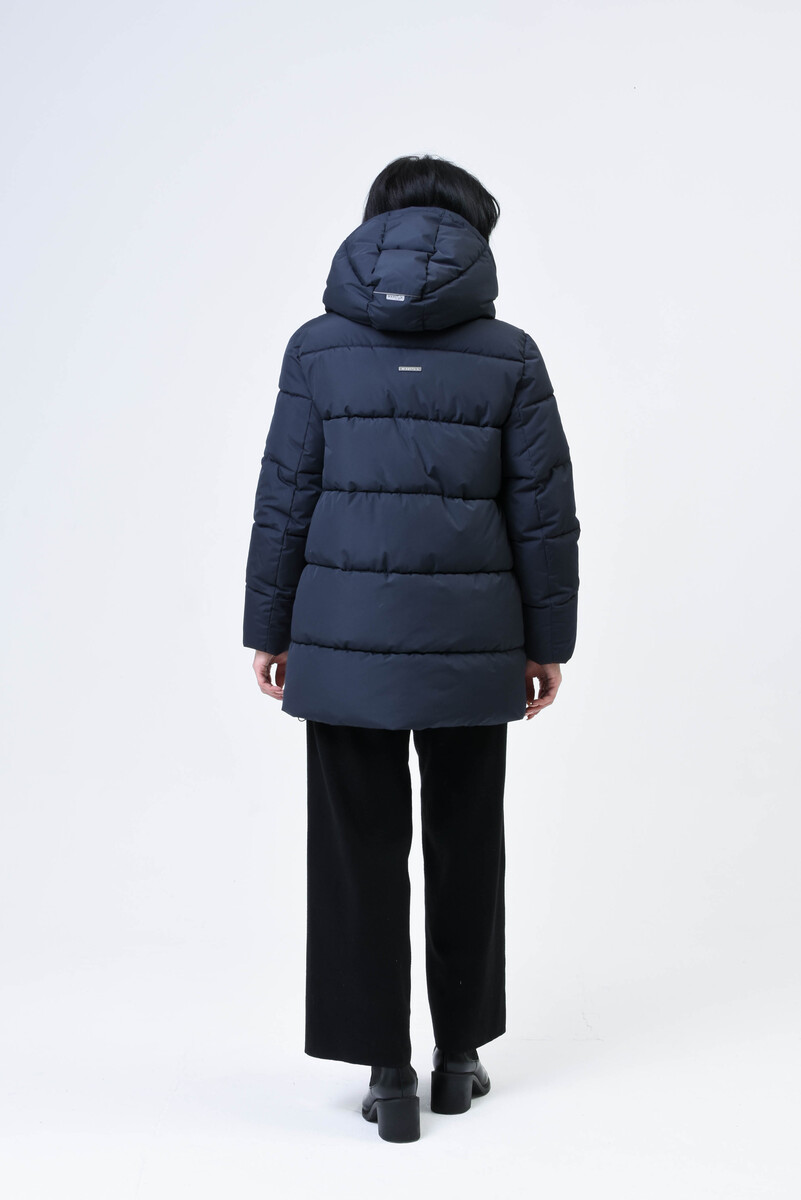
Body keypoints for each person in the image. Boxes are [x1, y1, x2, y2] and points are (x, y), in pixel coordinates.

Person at [242, 154, 581, 1142]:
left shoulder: (316, 349)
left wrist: (269, 628)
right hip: (476, 642)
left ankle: (386, 1074)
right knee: (468, 839)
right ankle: (458, 1057)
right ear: (473, 236)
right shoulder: (510, 354)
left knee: (357, 850)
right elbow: (542, 512)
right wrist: (547, 642)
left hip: (340, 639)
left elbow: (285, 496)